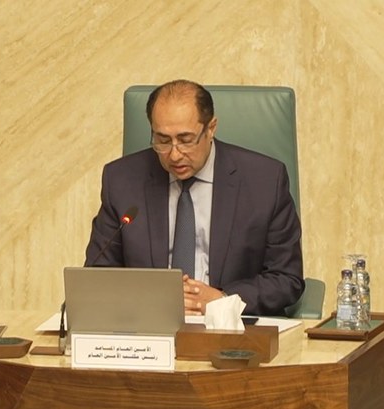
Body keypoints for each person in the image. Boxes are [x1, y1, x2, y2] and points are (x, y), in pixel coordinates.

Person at [85, 79, 304, 316]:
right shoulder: (122, 181)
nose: (174, 155)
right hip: (150, 323)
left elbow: (286, 279)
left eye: (186, 140)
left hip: (231, 325)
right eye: (163, 141)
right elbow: (98, 276)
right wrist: (153, 300)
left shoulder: (264, 181)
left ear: (211, 128)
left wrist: (222, 300)